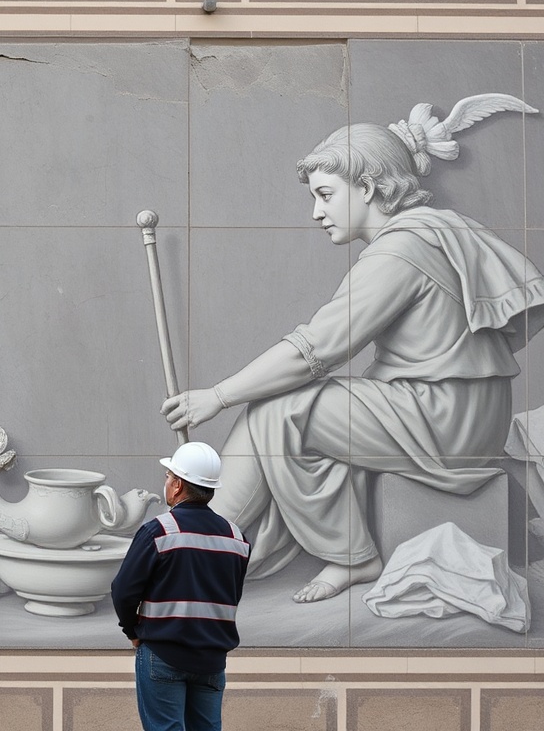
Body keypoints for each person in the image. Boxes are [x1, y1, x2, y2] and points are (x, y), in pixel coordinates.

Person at [161, 96, 544, 604]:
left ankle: (207, 551)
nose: (315, 212)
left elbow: (317, 347)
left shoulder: (401, 250)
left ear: (366, 187)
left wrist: (218, 395)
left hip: (446, 418)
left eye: (325, 194)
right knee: (299, 410)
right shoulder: (430, 231)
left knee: (282, 408)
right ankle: (212, 546)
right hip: (459, 409)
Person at [112, 442, 249, 731]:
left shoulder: (159, 530)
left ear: (177, 486)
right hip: (212, 660)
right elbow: (231, 595)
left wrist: (132, 631)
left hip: (163, 653)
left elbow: (123, 590)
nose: (166, 483)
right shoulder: (236, 538)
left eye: (168, 477)